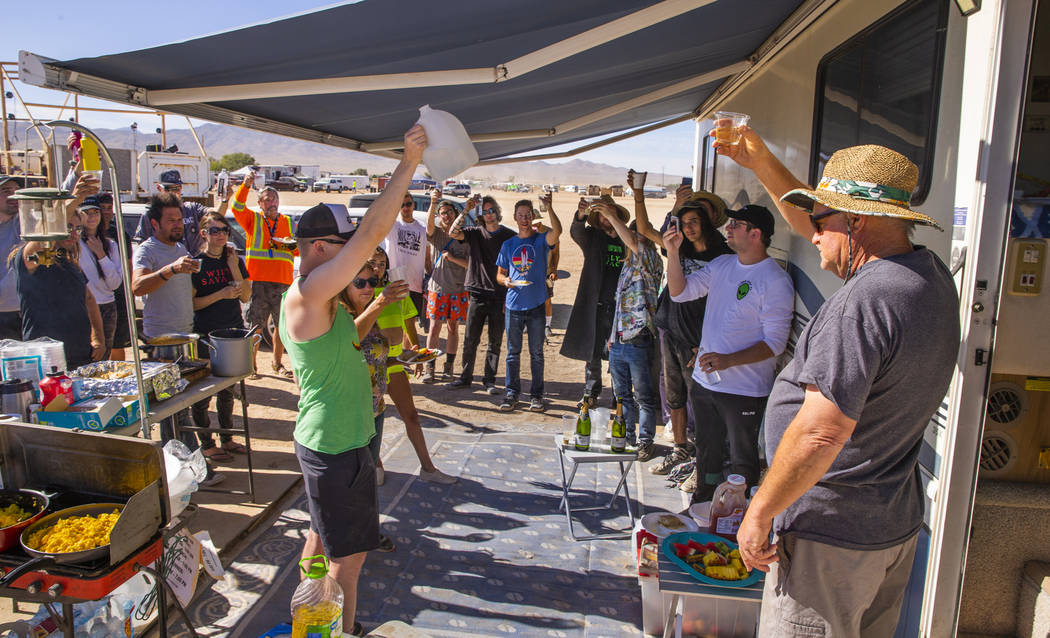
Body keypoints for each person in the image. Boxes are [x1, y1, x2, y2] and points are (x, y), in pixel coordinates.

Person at [717, 130, 960, 636]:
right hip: (887, 526)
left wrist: (760, 512)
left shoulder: (863, 303)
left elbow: (821, 434)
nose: (812, 232)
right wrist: (761, 160)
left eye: (822, 218)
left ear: (857, 220)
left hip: (830, 537)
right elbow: (816, 229)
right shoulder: (927, 275)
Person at [279, 125, 425, 636]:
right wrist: (408, 164)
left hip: (345, 439)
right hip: (334, 445)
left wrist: (379, 307)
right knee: (351, 558)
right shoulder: (308, 294)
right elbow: (371, 236)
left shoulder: (322, 299)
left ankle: (314, 619)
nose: (356, 259)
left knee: (323, 540)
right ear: (321, 247)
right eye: (344, 248)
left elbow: (349, 341)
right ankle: (338, 628)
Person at [667, 204, 794, 501]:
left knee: (742, 462)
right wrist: (673, 253)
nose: (728, 227)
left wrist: (728, 361)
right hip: (704, 382)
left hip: (744, 390)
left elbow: (774, 342)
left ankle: (737, 524)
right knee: (707, 452)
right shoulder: (723, 264)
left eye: (736, 223)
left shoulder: (775, 280)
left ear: (756, 233)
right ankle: (702, 506)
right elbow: (679, 292)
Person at [633, 174, 733, 471]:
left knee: (702, 400)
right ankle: (680, 449)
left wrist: (707, 343)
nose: (689, 225)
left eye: (697, 216)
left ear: (710, 218)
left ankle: (705, 462)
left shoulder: (725, 256)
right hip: (671, 330)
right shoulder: (679, 247)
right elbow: (646, 230)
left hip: (699, 339)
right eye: (685, 218)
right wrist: (638, 193)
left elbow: (727, 307)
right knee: (674, 394)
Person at [132, 193, 225, 487]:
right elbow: (137, 286)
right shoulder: (147, 250)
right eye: (171, 220)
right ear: (154, 222)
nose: (177, 225)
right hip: (162, 343)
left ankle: (183, 472)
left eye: (179, 220)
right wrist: (170, 270)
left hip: (185, 338)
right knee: (173, 410)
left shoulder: (181, 247)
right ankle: (189, 472)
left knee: (178, 408)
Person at [369, 247, 457, 485]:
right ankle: (376, 464)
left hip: (396, 363)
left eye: (381, 262)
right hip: (370, 366)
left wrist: (416, 353)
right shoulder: (362, 292)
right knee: (373, 419)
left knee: (411, 415)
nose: (377, 267)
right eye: (372, 263)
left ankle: (428, 468)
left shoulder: (397, 289)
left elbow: (409, 322)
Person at [340, 259, 406, 553]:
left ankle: (367, 531)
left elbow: (374, 357)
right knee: (350, 480)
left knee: (366, 478)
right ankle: (346, 535)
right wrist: (379, 302)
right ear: (345, 286)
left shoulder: (368, 312)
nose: (368, 288)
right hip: (350, 411)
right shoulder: (339, 316)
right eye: (360, 283)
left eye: (372, 282)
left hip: (376, 408)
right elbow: (350, 340)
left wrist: (402, 359)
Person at [593, 200, 664, 452]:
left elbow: (634, 242)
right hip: (619, 341)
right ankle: (628, 438)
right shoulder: (627, 265)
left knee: (643, 397)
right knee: (623, 397)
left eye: (637, 237)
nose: (633, 242)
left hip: (638, 339)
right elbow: (620, 306)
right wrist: (611, 338)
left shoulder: (651, 261)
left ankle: (645, 441)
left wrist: (612, 216)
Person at [190, 212, 252, 462]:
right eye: (214, 230)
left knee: (227, 391)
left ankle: (227, 438)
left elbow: (246, 296)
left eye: (224, 230)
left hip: (233, 332)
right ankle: (207, 444)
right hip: (206, 335)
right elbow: (192, 304)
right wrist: (221, 294)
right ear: (204, 233)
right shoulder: (196, 263)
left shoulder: (232, 260)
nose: (221, 235)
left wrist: (234, 267)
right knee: (203, 393)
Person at [495, 195, 562, 412]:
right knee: (513, 353)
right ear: (515, 218)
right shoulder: (508, 244)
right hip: (514, 305)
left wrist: (550, 207)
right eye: (520, 215)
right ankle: (511, 393)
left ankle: (536, 396)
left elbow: (557, 232)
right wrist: (505, 281)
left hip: (536, 305)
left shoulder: (541, 240)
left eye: (528, 215)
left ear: (533, 217)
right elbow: (500, 274)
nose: (524, 219)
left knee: (537, 353)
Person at [561, 195, 627, 409]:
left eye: (610, 213)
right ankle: (591, 393)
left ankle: (620, 396)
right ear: (597, 218)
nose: (607, 218)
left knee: (619, 354)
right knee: (593, 353)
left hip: (621, 307)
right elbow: (576, 232)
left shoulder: (626, 238)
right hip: (596, 305)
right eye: (602, 214)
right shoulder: (592, 237)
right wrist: (580, 215)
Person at [15, 216, 105, 369]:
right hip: (45, 358)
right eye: (67, 228)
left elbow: (89, 298)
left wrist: (98, 338)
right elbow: (42, 238)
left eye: (77, 229)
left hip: (80, 354)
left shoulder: (68, 261)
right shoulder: (34, 259)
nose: (73, 234)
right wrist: (71, 203)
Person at [445, 196, 515, 393]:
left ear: (497, 212)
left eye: (491, 210)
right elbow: (452, 233)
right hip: (477, 292)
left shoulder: (509, 236)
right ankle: (465, 377)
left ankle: (489, 380)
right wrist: (465, 210)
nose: (489, 214)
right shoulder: (474, 233)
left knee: (495, 340)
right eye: (485, 211)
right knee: (470, 338)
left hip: (500, 294)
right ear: (481, 215)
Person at [232, 173, 297, 379]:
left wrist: (292, 245)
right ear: (260, 203)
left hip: (282, 282)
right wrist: (245, 185)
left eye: (274, 199)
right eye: (267, 199)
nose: (272, 202)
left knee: (281, 327)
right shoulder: (253, 220)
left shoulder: (287, 221)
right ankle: (251, 367)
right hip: (259, 282)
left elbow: (296, 251)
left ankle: (277, 364)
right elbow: (237, 208)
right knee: (256, 326)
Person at [422, 193, 469, 383]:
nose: (446, 216)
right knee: (433, 328)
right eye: (442, 213)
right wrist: (433, 202)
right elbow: (428, 226)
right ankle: (429, 366)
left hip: (457, 289)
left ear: (456, 214)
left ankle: (448, 367)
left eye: (449, 212)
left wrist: (453, 258)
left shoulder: (466, 237)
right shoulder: (438, 235)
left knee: (452, 328)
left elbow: (470, 264)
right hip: (437, 288)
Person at [77, 196, 123, 359]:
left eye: (95, 212)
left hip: (108, 307)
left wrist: (101, 254)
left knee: (104, 357)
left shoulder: (111, 245)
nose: (92, 216)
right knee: (86, 356)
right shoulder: (74, 244)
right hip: (84, 307)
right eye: (86, 212)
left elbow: (115, 283)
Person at [133, 170, 209, 255]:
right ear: (159, 188)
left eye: (177, 188)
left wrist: (224, 200)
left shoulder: (191, 209)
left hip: (195, 263)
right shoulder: (150, 214)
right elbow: (141, 244)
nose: (174, 193)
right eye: (169, 189)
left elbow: (214, 215)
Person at [382, 193, 428, 332]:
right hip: (395, 281)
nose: (406, 208)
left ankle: (407, 352)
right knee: (396, 321)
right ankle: (399, 352)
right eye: (401, 205)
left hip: (415, 283)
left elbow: (427, 257)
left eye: (408, 204)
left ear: (414, 205)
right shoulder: (392, 226)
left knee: (410, 323)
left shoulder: (422, 228)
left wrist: (429, 277)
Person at [98, 192, 133, 360]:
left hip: (119, 295)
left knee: (119, 343)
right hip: (97, 298)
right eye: (101, 208)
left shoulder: (119, 233)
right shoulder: (85, 235)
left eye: (109, 208)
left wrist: (130, 294)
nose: (106, 212)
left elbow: (128, 265)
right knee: (99, 346)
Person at [0, 175, 24, 340]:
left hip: (24, 311)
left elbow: (57, 202)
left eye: (16, 190)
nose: (14, 195)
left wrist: (76, 171)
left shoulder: (26, 223)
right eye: (6, 191)